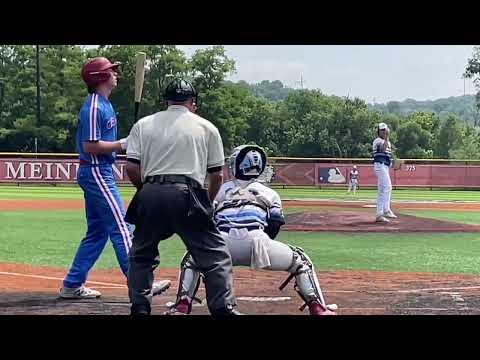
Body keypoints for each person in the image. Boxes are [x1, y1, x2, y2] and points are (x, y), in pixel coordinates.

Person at [166, 145, 337, 316]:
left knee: (190, 259)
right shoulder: (270, 193)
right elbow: (275, 223)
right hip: (258, 242)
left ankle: (182, 305)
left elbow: (206, 219)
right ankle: (318, 307)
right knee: (301, 262)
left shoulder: (220, 189)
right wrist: (265, 243)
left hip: (222, 243)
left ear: (237, 165)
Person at [125, 78, 238, 315]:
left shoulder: (143, 124)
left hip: (151, 190)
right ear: (193, 103)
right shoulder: (207, 127)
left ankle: (140, 307)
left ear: (166, 101)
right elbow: (216, 175)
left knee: (142, 254)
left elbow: (132, 169)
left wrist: (145, 191)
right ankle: (222, 308)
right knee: (215, 256)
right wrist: (205, 202)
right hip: (189, 193)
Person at [60, 57, 170, 299]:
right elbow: (90, 146)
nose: (116, 74)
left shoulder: (106, 105)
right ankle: (140, 282)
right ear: (100, 78)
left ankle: (72, 284)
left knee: (98, 232)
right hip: (96, 171)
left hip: (101, 171)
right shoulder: (94, 107)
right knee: (122, 226)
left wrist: (125, 143)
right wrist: (123, 143)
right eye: (111, 71)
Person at [372, 123, 397, 223]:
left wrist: (394, 165)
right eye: (382, 130)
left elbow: (387, 158)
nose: (383, 132)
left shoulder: (388, 143)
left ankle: (380, 213)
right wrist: (387, 138)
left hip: (385, 166)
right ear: (379, 131)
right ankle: (385, 210)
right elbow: (381, 149)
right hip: (379, 165)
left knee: (382, 189)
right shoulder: (377, 141)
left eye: (384, 130)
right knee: (387, 187)